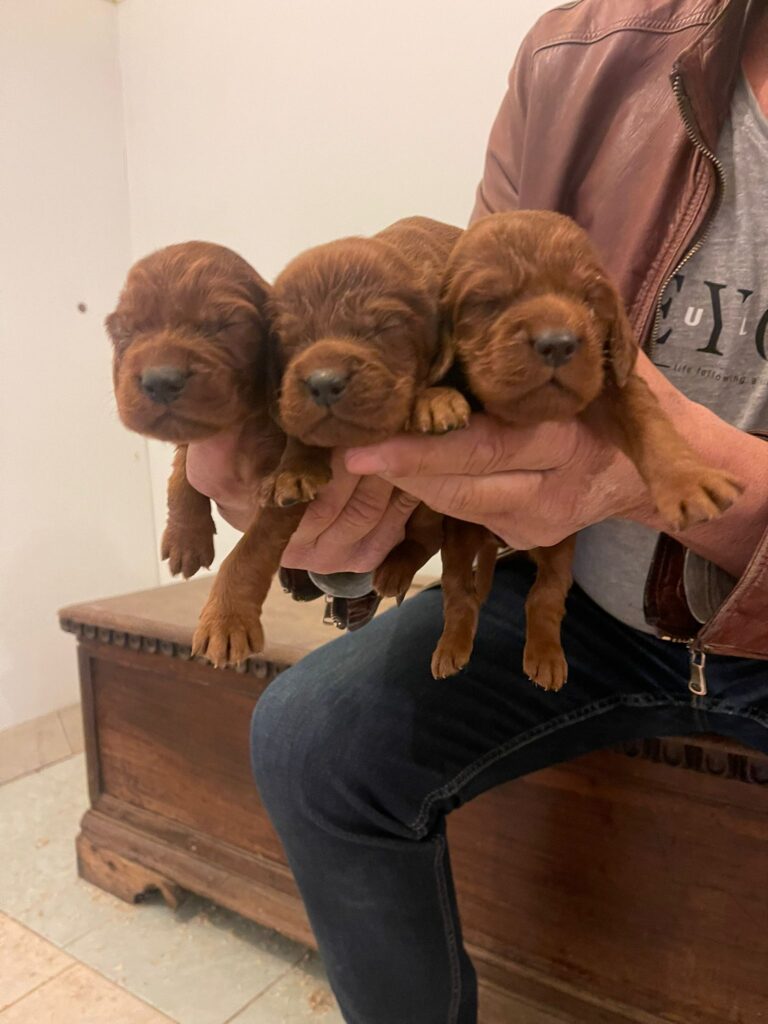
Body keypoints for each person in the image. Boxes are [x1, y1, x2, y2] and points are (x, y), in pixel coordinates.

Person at [187, 1, 768, 1020]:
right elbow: (453, 347)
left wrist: (669, 475)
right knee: (310, 736)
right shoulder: (576, 54)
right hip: (584, 599)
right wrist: (358, 509)